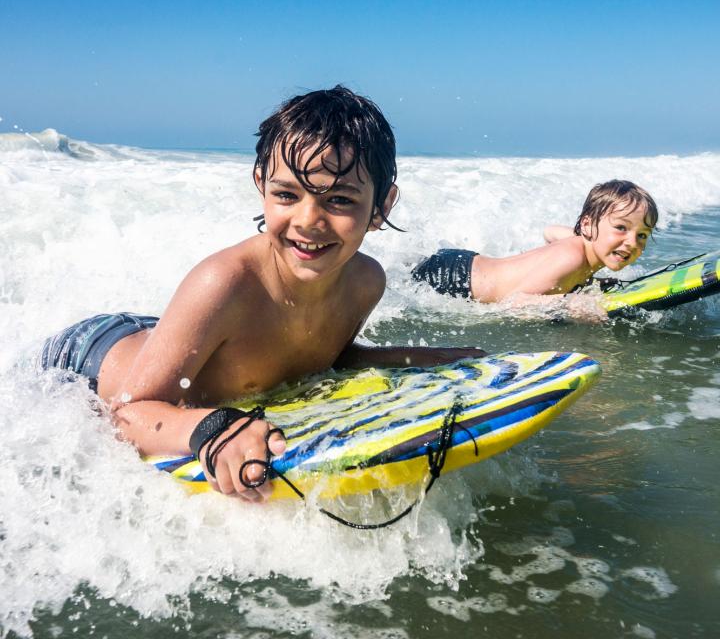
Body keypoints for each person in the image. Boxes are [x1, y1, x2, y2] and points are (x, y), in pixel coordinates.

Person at [40, 86, 485, 502]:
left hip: (176, 340)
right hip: (87, 359)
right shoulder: (225, 282)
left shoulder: (366, 282)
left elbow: (316, 357)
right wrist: (212, 430)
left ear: (382, 206)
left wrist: (414, 361)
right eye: (287, 194)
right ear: (261, 185)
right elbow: (124, 415)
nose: (308, 221)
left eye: (340, 201)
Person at [412, 179, 658, 308]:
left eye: (642, 235)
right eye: (621, 228)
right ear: (587, 225)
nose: (631, 242)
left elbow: (549, 232)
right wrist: (571, 302)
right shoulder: (571, 258)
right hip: (453, 278)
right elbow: (514, 303)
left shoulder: (581, 246)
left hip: (464, 261)